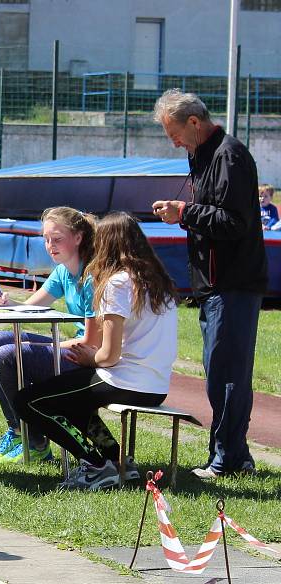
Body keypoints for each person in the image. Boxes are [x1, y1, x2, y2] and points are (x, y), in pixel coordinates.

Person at [13, 212, 179, 490]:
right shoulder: (159, 284)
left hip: (125, 380)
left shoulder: (117, 283)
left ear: (107, 244)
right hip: (157, 385)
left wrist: (91, 357)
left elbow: (109, 356)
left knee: (28, 402)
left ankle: (94, 466)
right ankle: (117, 460)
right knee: (72, 398)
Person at [151, 89, 266, 480]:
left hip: (233, 282)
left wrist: (185, 212)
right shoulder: (202, 155)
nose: (173, 141)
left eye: (175, 133)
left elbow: (236, 222)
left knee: (227, 372)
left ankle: (227, 459)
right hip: (214, 284)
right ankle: (236, 455)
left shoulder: (228, 155)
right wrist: (185, 213)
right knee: (218, 371)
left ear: (195, 123)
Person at [0, 207, 122, 467]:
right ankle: (17, 432)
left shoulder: (91, 276)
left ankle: (35, 442)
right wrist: (5, 302)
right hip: (77, 346)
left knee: (6, 354)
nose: (49, 246)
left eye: (56, 239)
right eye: (46, 239)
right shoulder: (62, 271)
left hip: (90, 354)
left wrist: (36, 345)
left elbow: (92, 343)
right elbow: (31, 308)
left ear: (78, 237)